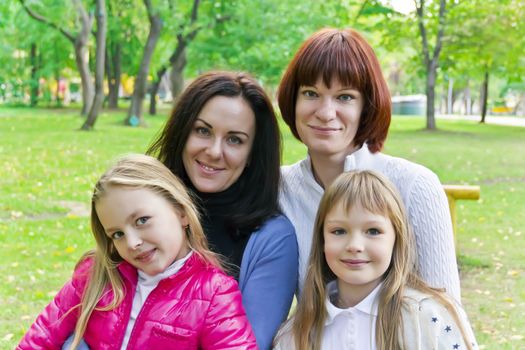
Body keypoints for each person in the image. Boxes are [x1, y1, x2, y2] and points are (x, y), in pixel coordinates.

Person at [277, 28, 460, 301]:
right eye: (311, 93)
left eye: (345, 97)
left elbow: (448, 319)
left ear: (367, 106)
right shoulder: (278, 190)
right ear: (293, 100)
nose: (326, 113)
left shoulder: (415, 186)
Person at [18, 154, 257, 349]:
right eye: (117, 234)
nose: (132, 243)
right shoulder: (97, 275)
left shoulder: (213, 292)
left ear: (181, 212)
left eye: (142, 220)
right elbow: (38, 339)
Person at [147, 71, 298, 350]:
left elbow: (249, 344)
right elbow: (91, 315)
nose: (214, 151)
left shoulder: (272, 239)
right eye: (203, 131)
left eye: (235, 140)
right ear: (182, 132)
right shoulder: (143, 208)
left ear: (253, 153)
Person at [274, 170, 478, 350]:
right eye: (339, 231)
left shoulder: (428, 317)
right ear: (322, 240)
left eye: (373, 231)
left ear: (396, 238)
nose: (354, 245)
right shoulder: (295, 335)